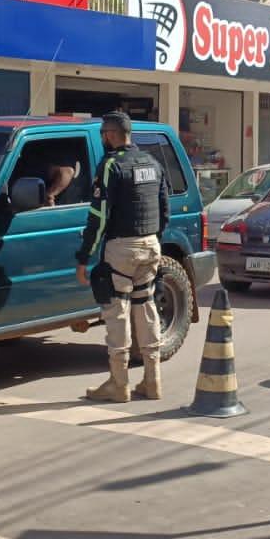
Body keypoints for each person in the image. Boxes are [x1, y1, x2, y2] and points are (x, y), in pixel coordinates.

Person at [75, 112, 170, 403]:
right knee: (146, 306)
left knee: (117, 312)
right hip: (151, 244)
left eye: (104, 133)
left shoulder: (111, 165)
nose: (103, 138)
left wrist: (84, 257)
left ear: (112, 135)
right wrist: (151, 241)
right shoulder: (152, 163)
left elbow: (98, 215)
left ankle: (119, 384)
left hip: (122, 248)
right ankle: (152, 381)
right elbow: (164, 209)